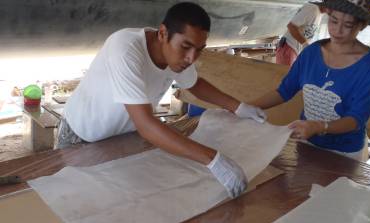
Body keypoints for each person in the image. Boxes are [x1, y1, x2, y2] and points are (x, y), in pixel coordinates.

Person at [57, 2, 267, 198]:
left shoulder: (175, 55)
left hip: (122, 138)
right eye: (186, 47)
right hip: (81, 138)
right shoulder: (126, 49)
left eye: (199, 50)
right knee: (79, 199)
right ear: (163, 33)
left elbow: (195, 84)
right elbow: (146, 125)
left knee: (118, 198)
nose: (191, 58)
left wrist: (238, 107)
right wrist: (214, 160)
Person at [253, 0, 370, 161]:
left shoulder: (369, 66)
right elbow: (284, 91)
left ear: (362, 25)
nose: (337, 30)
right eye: (334, 21)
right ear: (328, 14)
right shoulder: (311, 53)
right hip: (309, 142)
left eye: (348, 25)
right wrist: (243, 107)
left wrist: (320, 126)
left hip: (345, 152)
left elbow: (356, 119)